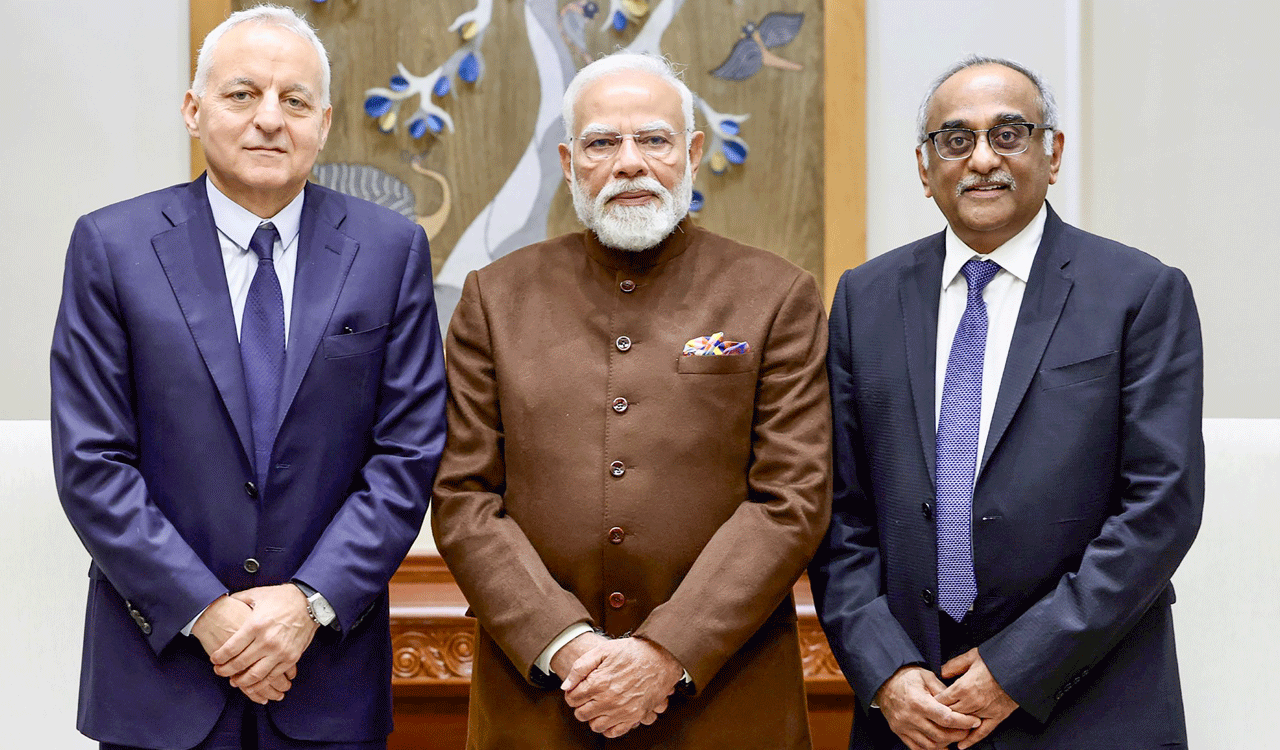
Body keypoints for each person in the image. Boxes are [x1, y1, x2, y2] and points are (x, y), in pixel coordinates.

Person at [50, 6, 446, 749]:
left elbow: (408, 453)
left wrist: (307, 604)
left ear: (323, 123)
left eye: (294, 100)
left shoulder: (390, 251)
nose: (270, 119)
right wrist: (209, 612)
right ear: (194, 110)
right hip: (159, 680)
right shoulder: (111, 246)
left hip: (325, 677)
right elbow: (92, 463)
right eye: (242, 94)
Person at [430, 52, 831, 748]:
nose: (629, 163)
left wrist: (666, 651)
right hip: (543, 700)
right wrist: (568, 647)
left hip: (726, 699)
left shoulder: (776, 296)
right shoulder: (495, 299)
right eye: (601, 143)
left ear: (692, 153)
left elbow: (792, 499)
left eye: (653, 139)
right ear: (568, 163)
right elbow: (463, 498)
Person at [810, 55, 1203, 750]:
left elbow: (1159, 507)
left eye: (1009, 134)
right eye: (956, 139)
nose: (983, 158)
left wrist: (1017, 667)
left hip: (1090, 702)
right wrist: (886, 670)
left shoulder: (1139, 293)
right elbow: (839, 510)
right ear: (925, 167)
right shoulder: (863, 299)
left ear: (1053, 153)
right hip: (911, 713)